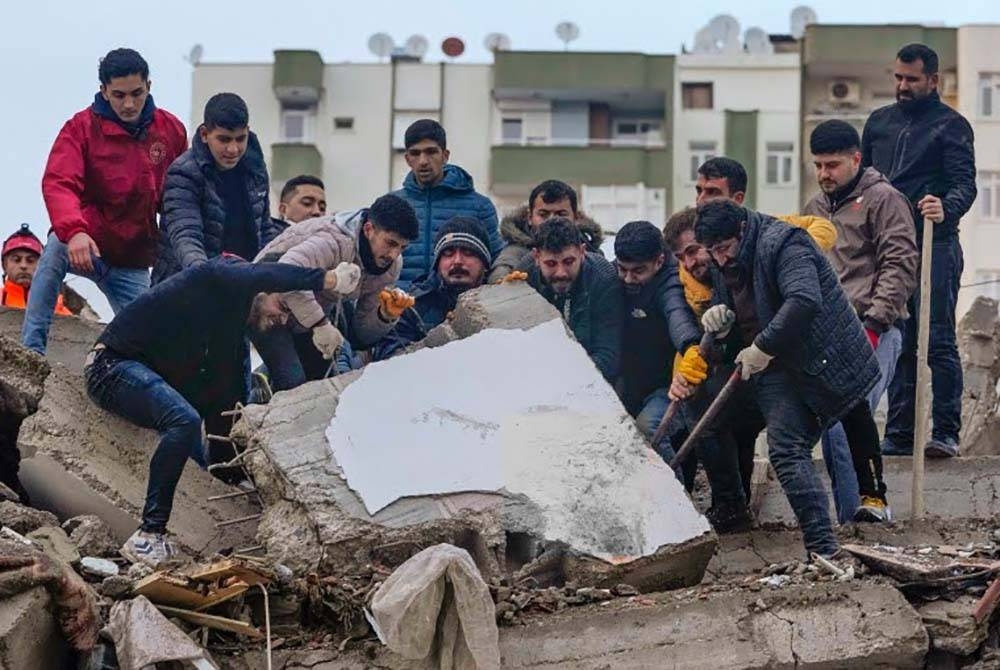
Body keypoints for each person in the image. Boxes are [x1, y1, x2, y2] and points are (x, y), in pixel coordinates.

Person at [84, 256, 342, 566]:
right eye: (283, 308)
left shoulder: (228, 339)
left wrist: (234, 476)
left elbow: (224, 410)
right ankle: (148, 536)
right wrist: (327, 280)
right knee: (183, 420)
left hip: (143, 376)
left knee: (192, 430)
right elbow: (261, 271)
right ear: (262, 288)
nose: (282, 320)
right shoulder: (215, 276)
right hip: (109, 366)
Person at [679, 199, 881, 556]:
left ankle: (824, 551)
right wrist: (721, 329)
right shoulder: (726, 262)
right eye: (712, 252)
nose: (720, 260)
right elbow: (736, 338)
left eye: (724, 249)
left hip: (808, 364)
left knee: (786, 449)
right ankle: (731, 508)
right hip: (768, 365)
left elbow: (804, 300)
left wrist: (762, 347)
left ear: (741, 230)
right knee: (703, 412)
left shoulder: (786, 243)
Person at [23, 48, 186, 354]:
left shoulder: (171, 131)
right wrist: (75, 231)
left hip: (132, 260)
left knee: (153, 341)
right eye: (119, 94)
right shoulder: (80, 128)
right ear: (104, 91)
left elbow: (179, 198)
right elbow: (59, 183)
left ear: (149, 86)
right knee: (55, 247)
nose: (128, 103)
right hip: (87, 245)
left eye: (136, 93)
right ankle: (31, 352)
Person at [862, 43, 977, 458]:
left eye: (911, 79)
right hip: (889, 252)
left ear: (933, 81)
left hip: (936, 245)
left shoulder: (952, 126)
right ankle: (898, 435)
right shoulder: (878, 123)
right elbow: (864, 183)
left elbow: (966, 184)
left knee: (938, 340)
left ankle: (945, 433)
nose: (903, 86)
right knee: (899, 339)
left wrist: (945, 206)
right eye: (898, 78)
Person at [804, 120, 919, 522]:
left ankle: (864, 515)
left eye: (832, 165)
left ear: (856, 159)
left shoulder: (885, 199)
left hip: (876, 332)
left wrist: (873, 325)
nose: (823, 174)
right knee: (832, 428)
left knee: (843, 422)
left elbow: (900, 265)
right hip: (826, 339)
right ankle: (852, 518)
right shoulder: (814, 209)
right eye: (817, 165)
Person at [252, 194, 419, 391]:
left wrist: (384, 317)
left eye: (402, 247)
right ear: (368, 229)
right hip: (265, 306)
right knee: (293, 383)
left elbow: (362, 335)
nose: (394, 254)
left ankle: (265, 383)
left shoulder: (391, 266)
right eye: (390, 243)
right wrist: (320, 324)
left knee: (325, 386)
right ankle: (259, 396)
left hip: (307, 316)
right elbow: (287, 274)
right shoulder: (333, 241)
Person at [152, 93, 270, 283]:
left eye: (240, 139)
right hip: (186, 287)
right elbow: (185, 235)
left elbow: (264, 229)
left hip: (245, 285)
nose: (233, 149)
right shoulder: (183, 172)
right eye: (224, 140)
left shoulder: (256, 169)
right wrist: (205, 278)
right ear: (205, 135)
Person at [613, 221, 705, 458]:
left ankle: (672, 494)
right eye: (623, 269)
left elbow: (678, 316)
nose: (628, 279)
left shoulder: (673, 282)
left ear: (660, 261)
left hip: (671, 385)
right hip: (628, 382)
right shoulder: (612, 274)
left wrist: (690, 346)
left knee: (648, 429)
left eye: (638, 271)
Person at [392, 119, 503, 285]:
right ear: (407, 159)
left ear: (445, 156)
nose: (423, 161)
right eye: (416, 153)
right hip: (401, 307)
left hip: (461, 306)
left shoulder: (480, 207)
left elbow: (496, 264)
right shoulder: (392, 205)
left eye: (431, 152)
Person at [372, 216, 491, 360]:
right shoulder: (412, 304)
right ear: (437, 263)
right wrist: (442, 338)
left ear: (484, 264)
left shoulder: (497, 301)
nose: (458, 261)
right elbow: (387, 360)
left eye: (468, 253)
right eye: (448, 253)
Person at [521, 217, 623, 383]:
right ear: (536, 257)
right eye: (551, 264)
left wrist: (561, 376)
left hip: (591, 378)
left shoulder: (603, 279)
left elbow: (609, 357)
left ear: (582, 252)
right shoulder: (524, 276)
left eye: (569, 262)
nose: (561, 273)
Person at [488, 180, 603, 282]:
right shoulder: (515, 254)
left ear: (576, 218)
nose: (552, 220)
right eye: (543, 214)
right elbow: (500, 275)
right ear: (529, 217)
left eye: (561, 214)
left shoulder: (592, 253)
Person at [2, 224, 71, 315]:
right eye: (16, 260)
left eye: (30, 260)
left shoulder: (56, 305)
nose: (23, 266)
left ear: (42, 265)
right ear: (4, 265)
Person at [261, 175, 326, 247]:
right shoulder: (270, 242)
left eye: (322, 208)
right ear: (283, 209)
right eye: (307, 203)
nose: (317, 212)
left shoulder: (330, 244)